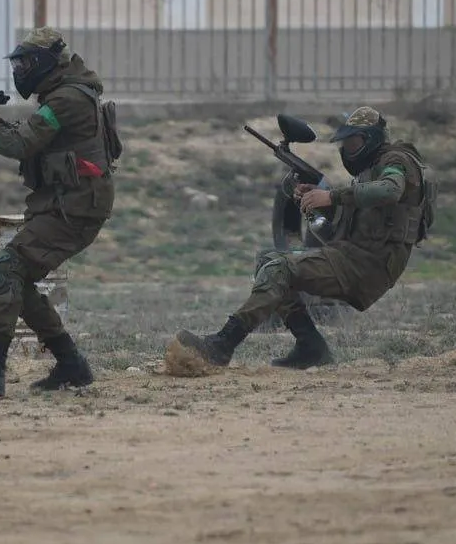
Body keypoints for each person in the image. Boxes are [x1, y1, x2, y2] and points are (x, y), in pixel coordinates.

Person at [175, 106, 433, 370]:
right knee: (268, 260)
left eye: (354, 142)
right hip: (351, 256)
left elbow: (390, 190)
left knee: (280, 268)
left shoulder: (397, 161)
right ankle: (310, 346)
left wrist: (332, 196)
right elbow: (351, 219)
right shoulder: (369, 170)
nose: (348, 150)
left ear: (373, 139)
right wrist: (318, 200)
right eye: (346, 144)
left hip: (369, 266)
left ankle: (222, 345)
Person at [0, 27, 118, 397]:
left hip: (75, 207)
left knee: (6, 267)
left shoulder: (66, 99)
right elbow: (32, 140)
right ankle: (71, 364)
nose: (19, 70)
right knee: (17, 278)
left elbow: (21, 145)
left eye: (25, 63)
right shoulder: (64, 94)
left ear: (45, 63)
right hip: (66, 203)